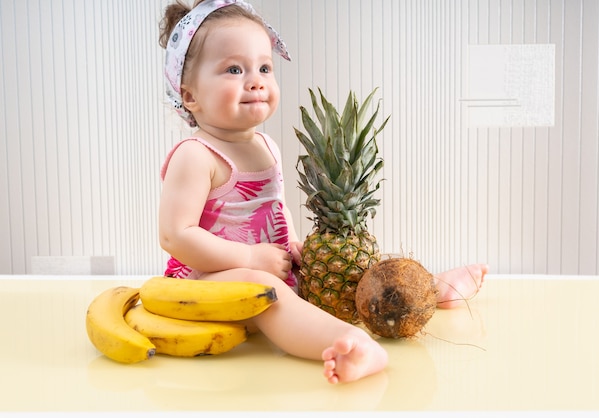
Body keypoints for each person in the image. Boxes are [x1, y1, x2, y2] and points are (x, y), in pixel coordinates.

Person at [157, 0, 487, 384]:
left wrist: (295, 243)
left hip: (269, 263)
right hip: (203, 282)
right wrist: (249, 256)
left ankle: (434, 288)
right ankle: (352, 344)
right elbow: (175, 235)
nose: (256, 79)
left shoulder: (266, 146)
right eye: (234, 69)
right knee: (262, 289)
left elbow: (275, 209)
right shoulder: (196, 156)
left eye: (265, 67)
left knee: (343, 270)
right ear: (190, 96)